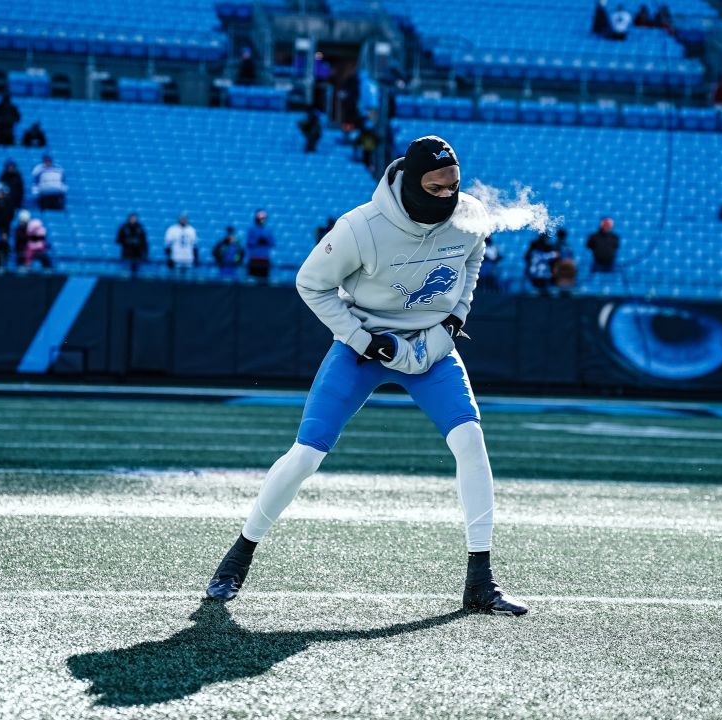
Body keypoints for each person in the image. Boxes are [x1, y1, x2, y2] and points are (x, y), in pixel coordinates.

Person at [202, 135, 528, 616]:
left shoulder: (469, 214)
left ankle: (480, 579)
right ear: (412, 184)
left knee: (471, 443)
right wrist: (361, 339)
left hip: (430, 347)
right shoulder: (361, 227)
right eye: (436, 188)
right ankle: (238, 556)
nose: (448, 198)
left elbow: (474, 258)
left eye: (454, 187)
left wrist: (455, 319)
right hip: (364, 346)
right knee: (306, 454)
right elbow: (311, 283)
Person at [245, 209, 275, 283]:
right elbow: (249, 243)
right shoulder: (252, 229)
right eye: (260, 218)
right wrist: (257, 241)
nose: (262, 220)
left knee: (264, 280)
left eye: (264, 218)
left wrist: (266, 241)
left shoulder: (268, 230)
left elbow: (272, 243)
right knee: (252, 279)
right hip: (254, 258)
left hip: (264, 258)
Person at [117, 213, 149, 277]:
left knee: (136, 272)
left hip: (137, 253)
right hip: (127, 253)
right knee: (125, 272)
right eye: (132, 218)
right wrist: (127, 241)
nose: (133, 220)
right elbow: (118, 240)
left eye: (135, 218)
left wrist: (145, 253)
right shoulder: (124, 228)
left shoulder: (140, 228)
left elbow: (144, 242)